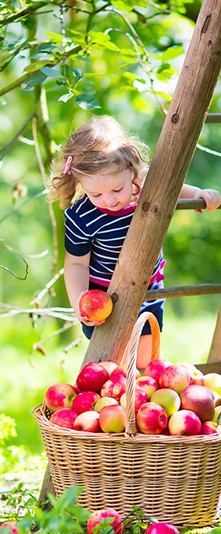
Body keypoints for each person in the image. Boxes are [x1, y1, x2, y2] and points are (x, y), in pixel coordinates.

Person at [49, 115, 221, 368]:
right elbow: (76, 263)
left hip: (148, 288)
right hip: (106, 296)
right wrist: (78, 301)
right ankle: (115, 403)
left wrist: (197, 194)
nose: (108, 199)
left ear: (132, 170)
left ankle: (141, 399)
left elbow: (172, 187)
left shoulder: (145, 185)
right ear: (79, 182)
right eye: (95, 193)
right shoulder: (81, 217)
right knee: (110, 362)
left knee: (144, 360)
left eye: (117, 190)